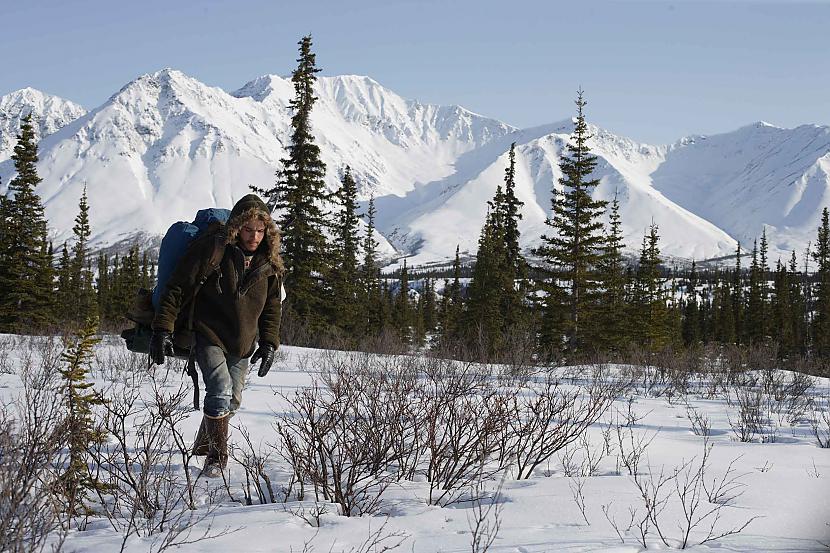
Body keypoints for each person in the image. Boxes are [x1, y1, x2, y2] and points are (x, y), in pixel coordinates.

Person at [149, 194, 284, 477]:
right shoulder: (215, 250)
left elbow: (272, 307)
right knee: (220, 390)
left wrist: (270, 342)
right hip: (208, 334)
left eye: (260, 231)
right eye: (248, 230)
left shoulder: (269, 263)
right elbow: (177, 288)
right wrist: (163, 328)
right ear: (237, 227)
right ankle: (216, 458)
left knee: (232, 400)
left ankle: (204, 442)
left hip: (243, 342)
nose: (254, 237)